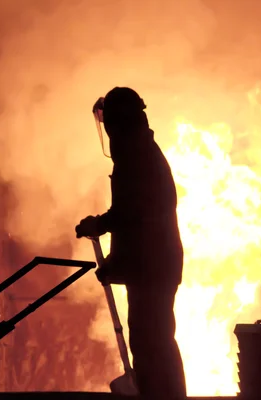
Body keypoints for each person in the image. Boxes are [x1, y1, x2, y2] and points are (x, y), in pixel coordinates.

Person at [75, 87, 186, 399]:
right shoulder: (140, 151)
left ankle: (160, 396)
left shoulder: (136, 157)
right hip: (154, 266)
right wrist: (117, 264)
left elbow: (133, 214)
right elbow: (135, 219)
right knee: (155, 340)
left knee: (152, 342)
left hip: (151, 268)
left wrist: (100, 226)